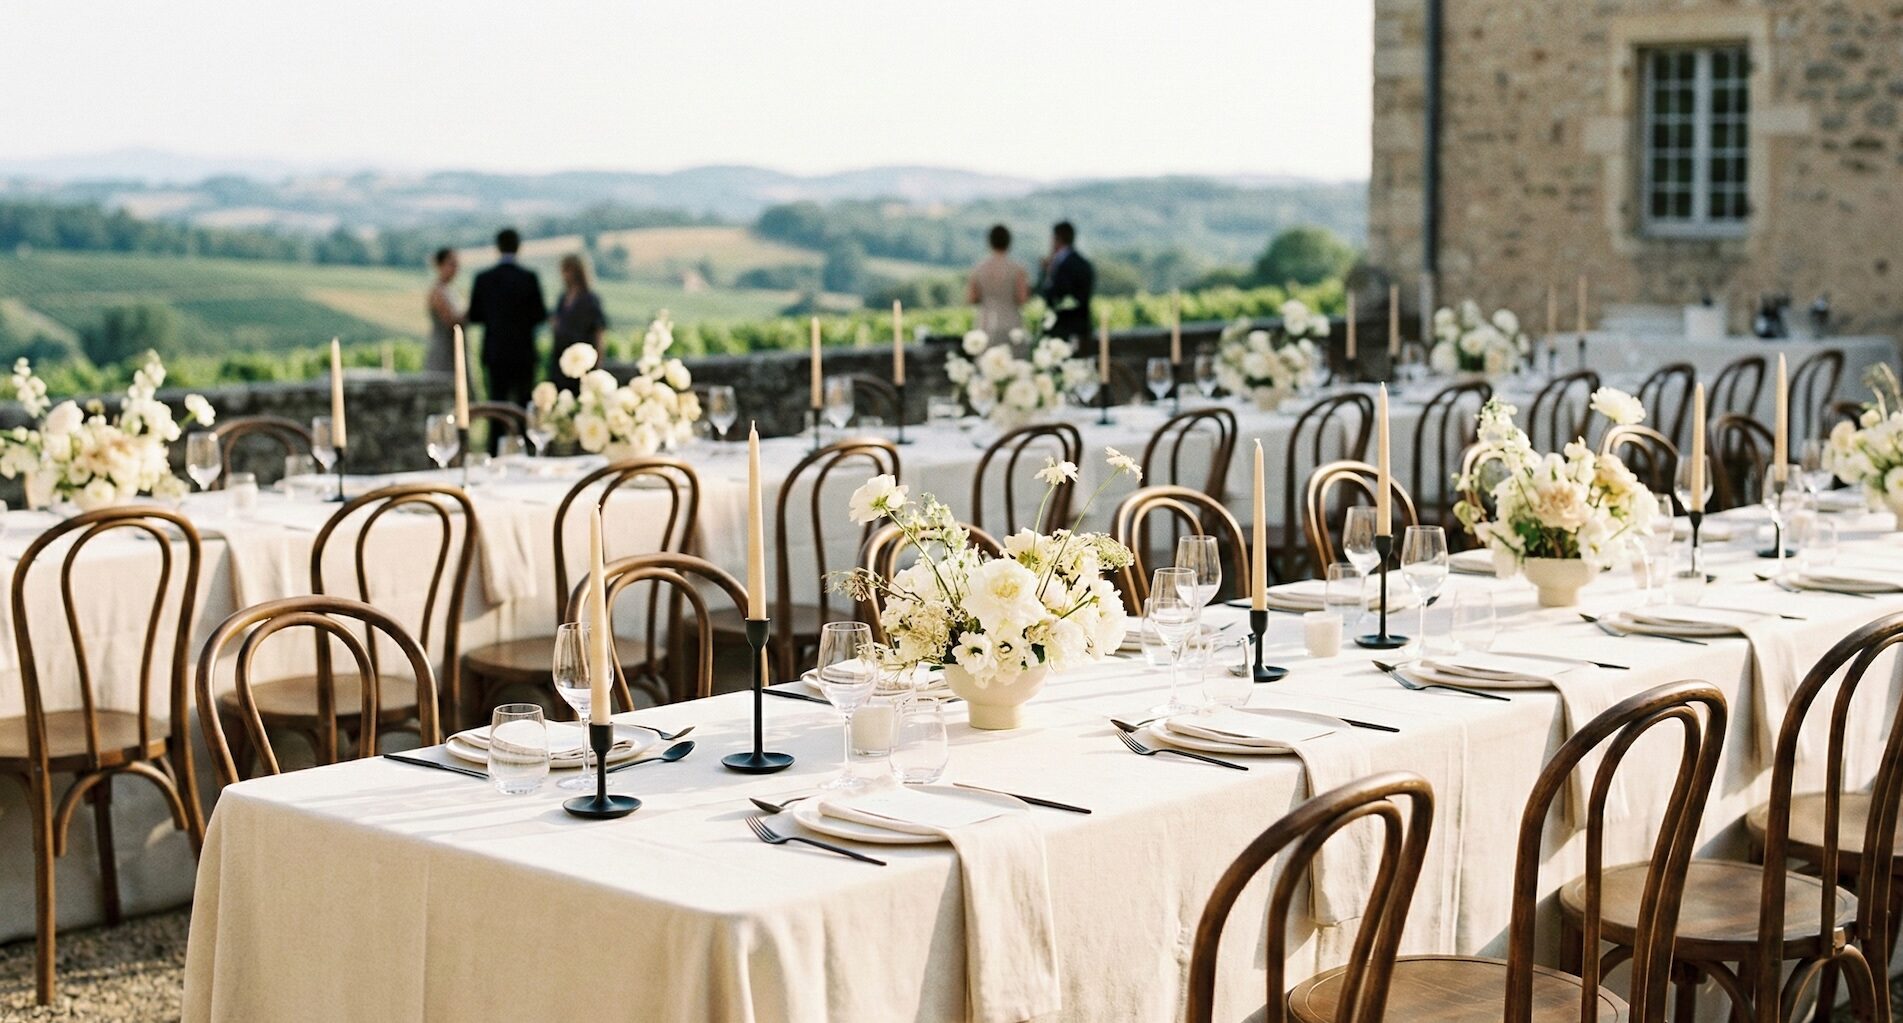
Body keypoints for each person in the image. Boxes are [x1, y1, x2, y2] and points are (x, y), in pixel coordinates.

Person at [465, 228, 547, 405]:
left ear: (498, 247)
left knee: (497, 405)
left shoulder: (484, 279)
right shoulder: (529, 278)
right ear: (518, 247)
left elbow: (475, 316)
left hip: (496, 352)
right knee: (524, 407)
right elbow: (540, 315)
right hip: (523, 352)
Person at [547, 253, 608, 389]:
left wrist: (598, 362)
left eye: (567, 270)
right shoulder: (563, 298)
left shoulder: (590, 299)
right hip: (561, 358)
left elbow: (599, 331)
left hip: (582, 360)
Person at [966, 223, 1029, 342]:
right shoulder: (1018, 269)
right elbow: (1022, 299)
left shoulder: (978, 268)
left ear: (990, 242)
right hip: (1012, 324)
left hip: (986, 323)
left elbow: (971, 298)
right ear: (1009, 242)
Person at [424, 247, 474, 393]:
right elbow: (451, 321)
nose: (455, 269)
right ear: (439, 265)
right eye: (451, 264)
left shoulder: (449, 290)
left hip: (454, 349)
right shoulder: (438, 292)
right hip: (445, 352)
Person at [1036, 220, 1094, 341]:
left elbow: (1054, 296)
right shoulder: (1083, 263)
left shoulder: (1060, 265)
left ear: (1056, 238)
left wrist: (1046, 274)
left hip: (1063, 330)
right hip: (1082, 328)